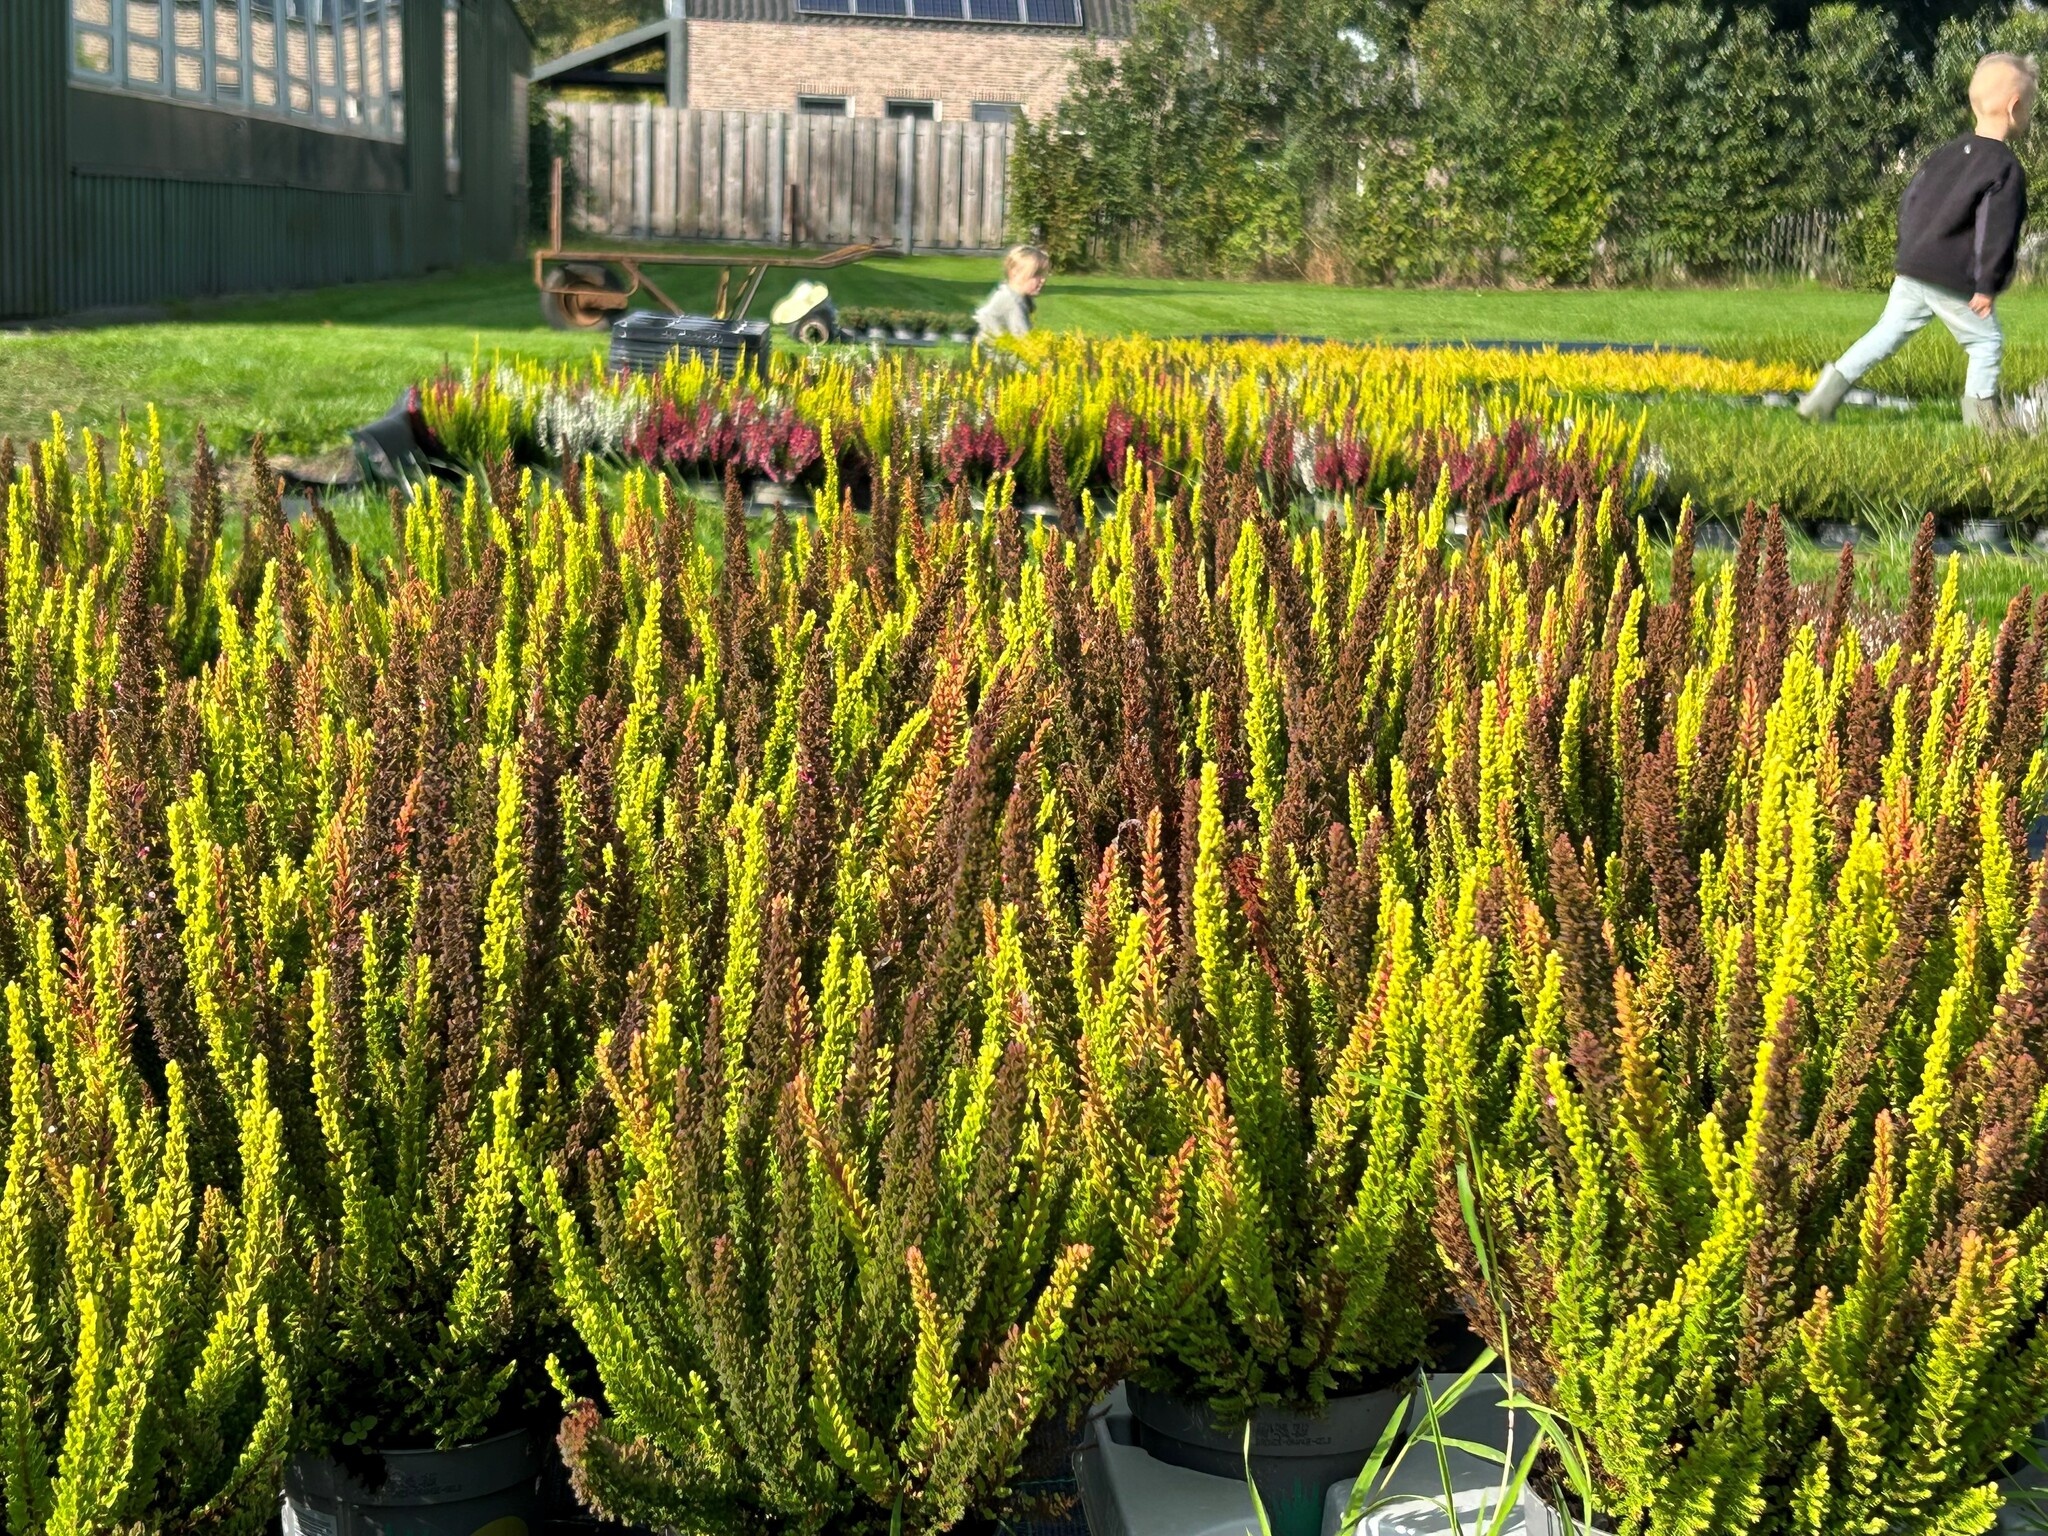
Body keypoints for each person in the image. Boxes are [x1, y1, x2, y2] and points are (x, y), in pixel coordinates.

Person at [1800, 52, 2036, 430]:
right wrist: (1987, 284)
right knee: (1984, 344)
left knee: (1884, 336)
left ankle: (1820, 400)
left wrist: (1909, 252)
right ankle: (1985, 428)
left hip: (1912, 267)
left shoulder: (1945, 154)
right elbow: (1996, 228)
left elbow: (1912, 199)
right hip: (1951, 278)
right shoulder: (2003, 165)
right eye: (2031, 109)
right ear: (2014, 106)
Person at [975, 245, 1049, 340]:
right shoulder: (1013, 302)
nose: (1043, 280)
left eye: (1043, 274)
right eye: (1036, 274)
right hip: (993, 350)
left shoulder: (1010, 293)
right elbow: (1023, 339)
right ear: (1015, 273)